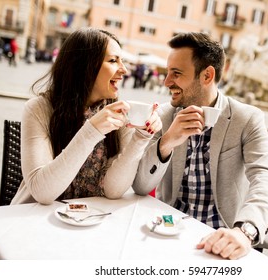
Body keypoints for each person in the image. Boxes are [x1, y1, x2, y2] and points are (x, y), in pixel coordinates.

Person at [132, 32, 268, 260]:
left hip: (221, 236)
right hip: (169, 232)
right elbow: (141, 187)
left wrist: (245, 231)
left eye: (177, 73)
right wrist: (167, 142)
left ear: (207, 75)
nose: (166, 81)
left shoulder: (246, 118)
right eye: (168, 71)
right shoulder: (163, 115)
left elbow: (266, 178)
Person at [11, 27, 162, 205]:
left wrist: (140, 138)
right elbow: (42, 193)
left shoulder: (119, 114)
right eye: (113, 61)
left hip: (89, 220)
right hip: (34, 219)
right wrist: (91, 131)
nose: (124, 70)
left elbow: (113, 191)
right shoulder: (39, 108)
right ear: (83, 66)